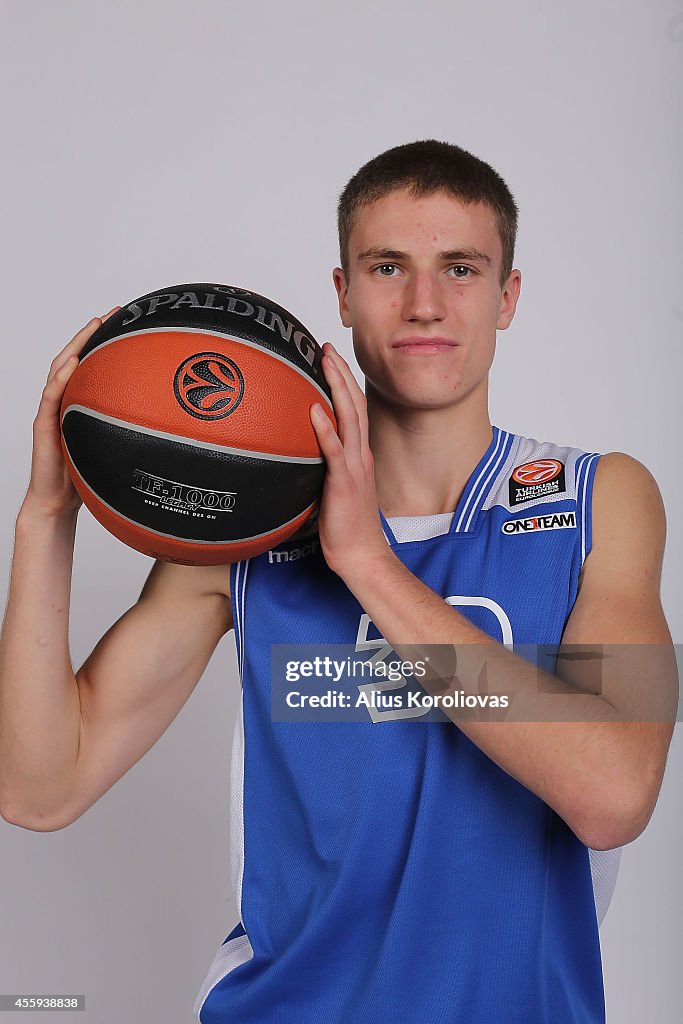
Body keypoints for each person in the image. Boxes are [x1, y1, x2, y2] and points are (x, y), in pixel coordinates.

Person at [0, 140, 676, 1023]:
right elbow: (39, 789)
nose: (424, 303)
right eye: (387, 266)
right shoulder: (248, 536)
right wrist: (46, 521)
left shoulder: (600, 496)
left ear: (507, 296)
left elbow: (615, 794)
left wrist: (366, 563)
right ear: (343, 293)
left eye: (461, 269)